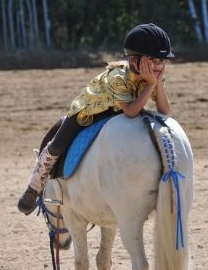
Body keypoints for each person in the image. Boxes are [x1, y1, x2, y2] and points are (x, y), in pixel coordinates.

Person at [17, 23, 174, 215]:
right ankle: (33, 188)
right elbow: (131, 112)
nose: (158, 66)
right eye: (153, 60)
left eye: (162, 61)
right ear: (134, 59)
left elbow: (164, 112)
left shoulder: (153, 76)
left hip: (117, 112)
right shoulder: (118, 77)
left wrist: (157, 84)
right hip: (88, 111)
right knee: (57, 144)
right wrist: (151, 84)